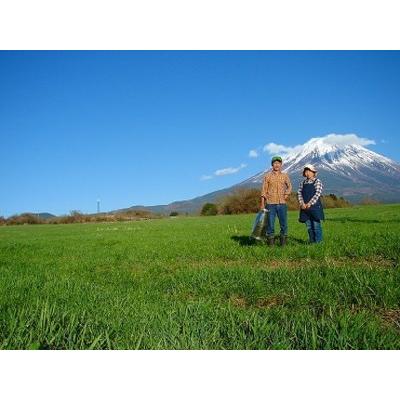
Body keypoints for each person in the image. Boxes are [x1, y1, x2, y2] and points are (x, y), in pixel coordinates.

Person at [260, 156, 292, 246]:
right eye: (275, 163)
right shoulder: (267, 176)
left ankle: (283, 245)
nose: (277, 165)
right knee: (270, 225)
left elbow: (289, 186)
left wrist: (286, 194)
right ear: (272, 165)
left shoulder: (285, 176)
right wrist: (262, 204)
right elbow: (263, 190)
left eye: (278, 163)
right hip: (270, 204)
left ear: (281, 165)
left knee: (284, 224)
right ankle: (271, 246)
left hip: (282, 204)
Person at [297, 164, 324, 243]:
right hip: (304, 208)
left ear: (313, 172)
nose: (307, 173)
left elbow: (317, 194)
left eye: (309, 171)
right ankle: (312, 242)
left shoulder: (317, 181)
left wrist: (309, 203)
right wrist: (302, 203)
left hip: (315, 207)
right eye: (306, 171)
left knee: (316, 225)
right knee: (309, 226)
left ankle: (318, 242)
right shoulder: (302, 183)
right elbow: (299, 193)